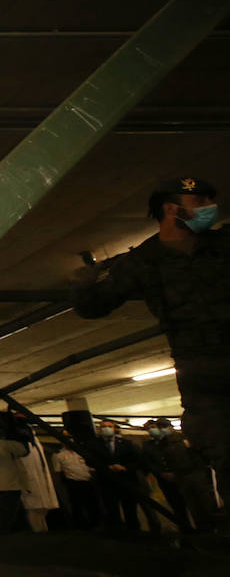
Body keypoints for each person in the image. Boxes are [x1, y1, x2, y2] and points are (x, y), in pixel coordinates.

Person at [72, 176, 227, 527]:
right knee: (219, 449)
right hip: (201, 371)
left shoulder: (224, 244)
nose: (208, 210)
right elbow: (94, 306)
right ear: (172, 209)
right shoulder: (143, 261)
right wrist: (83, 287)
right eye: (200, 202)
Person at [142, 417, 215, 533]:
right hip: (177, 479)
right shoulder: (154, 445)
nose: (160, 430)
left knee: (202, 505)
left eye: (162, 427)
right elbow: (152, 462)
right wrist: (163, 473)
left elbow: (196, 457)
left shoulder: (183, 439)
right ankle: (195, 531)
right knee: (189, 506)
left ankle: (209, 529)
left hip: (190, 475)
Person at [93, 419, 145, 530]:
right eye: (103, 427)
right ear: (99, 429)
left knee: (130, 510)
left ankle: (134, 531)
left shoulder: (126, 443)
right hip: (107, 483)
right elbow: (91, 461)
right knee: (112, 510)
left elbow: (137, 461)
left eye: (109, 426)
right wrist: (106, 468)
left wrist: (125, 468)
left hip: (126, 481)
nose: (106, 428)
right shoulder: (95, 445)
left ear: (114, 429)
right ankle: (118, 532)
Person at [52, 440, 102, 529]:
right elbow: (58, 472)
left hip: (87, 481)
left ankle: (95, 523)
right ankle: (80, 525)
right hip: (73, 482)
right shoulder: (59, 455)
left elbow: (91, 468)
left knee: (92, 504)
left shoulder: (83, 453)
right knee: (76, 505)